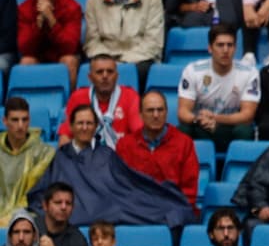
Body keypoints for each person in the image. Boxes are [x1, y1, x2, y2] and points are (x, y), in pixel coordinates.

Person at [31, 106, 196, 230]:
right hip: (74, 210)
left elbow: (127, 183)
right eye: (80, 123)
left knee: (167, 207)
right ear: (72, 127)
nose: (84, 127)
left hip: (109, 206)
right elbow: (43, 190)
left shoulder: (107, 154)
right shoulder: (60, 157)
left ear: (96, 126)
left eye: (89, 123)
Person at [177, 24, 261, 151]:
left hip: (230, 128)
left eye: (230, 45)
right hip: (202, 127)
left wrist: (215, 118)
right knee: (184, 128)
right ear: (210, 48)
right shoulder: (193, 70)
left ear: (235, 48)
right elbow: (183, 112)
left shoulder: (249, 72)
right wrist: (197, 120)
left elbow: (248, 115)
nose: (225, 50)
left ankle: (239, 169)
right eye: (220, 45)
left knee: (244, 130)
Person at [116, 91, 200, 211]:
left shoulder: (184, 143)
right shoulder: (125, 145)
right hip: (136, 210)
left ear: (166, 113)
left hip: (173, 209)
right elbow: (121, 186)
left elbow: (189, 190)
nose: (156, 115)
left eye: (160, 110)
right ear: (140, 114)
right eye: (150, 110)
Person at [57, 54, 141, 149]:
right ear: (90, 77)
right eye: (99, 72)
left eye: (110, 72)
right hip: (86, 157)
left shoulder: (130, 96)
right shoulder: (78, 97)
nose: (105, 76)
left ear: (117, 76)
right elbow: (65, 136)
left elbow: (139, 135)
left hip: (120, 157)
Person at [0, 97, 56, 228]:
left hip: (30, 219)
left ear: (29, 121)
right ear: (5, 122)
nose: (20, 125)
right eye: (15, 120)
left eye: (24, 120)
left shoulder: (44, 153)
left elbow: (41, 197)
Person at [83, 0, 164, 76]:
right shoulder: (94, 0)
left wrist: (123, 62)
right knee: (97, 71)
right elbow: (92, 42)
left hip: (140, 58)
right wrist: (108, 60)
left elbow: (152, 42)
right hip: (105, 57)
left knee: (137, 71)